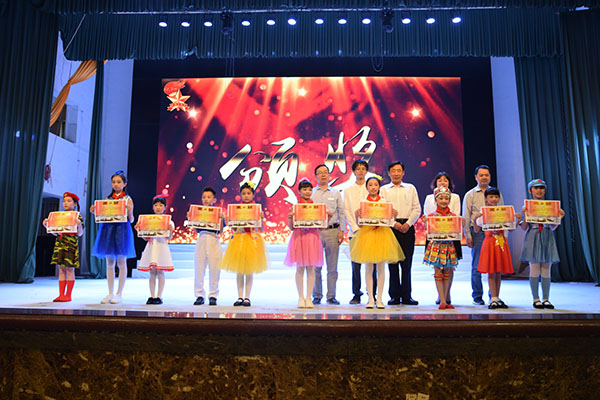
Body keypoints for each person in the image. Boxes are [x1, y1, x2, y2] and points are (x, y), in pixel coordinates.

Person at [350, 176, 404, 309]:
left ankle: (379, 298)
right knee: (368, 268)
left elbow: (390, 221)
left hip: (382, 235)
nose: (373, 187)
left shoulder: (384, 202)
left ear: (379, 187)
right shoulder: (363, 203)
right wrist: (357, 215)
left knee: (381, 268)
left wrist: (394, 214)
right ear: (367, 187)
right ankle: (370, 298)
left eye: (375, 185)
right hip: (367, 235)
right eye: (370, 185)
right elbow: (360, 224)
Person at [90, 170, 136, 304]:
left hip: (122, 230)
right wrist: (95, 211)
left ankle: (119, 293)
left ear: (124, 184)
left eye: (119, 182)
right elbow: (102, 217)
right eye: (114, 182)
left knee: (121, 262)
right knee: (109, 263)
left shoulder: (127, 199)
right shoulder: (107, 199)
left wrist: (130, 210)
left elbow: (131, 220)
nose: (116, 184)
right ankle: (110, 293)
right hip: (108, 230)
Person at [219, 182, 268, 306]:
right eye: (244, 193)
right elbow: (234, 228)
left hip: (251, 240)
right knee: (239, 271)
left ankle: (247, 297)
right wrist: (228, 221)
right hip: (239, 240)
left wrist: (261, 219)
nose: (246, 196)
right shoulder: (236, 209)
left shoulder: (256, 209)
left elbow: (261, 229)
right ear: (240, 195)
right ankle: (239, 297)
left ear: (253, 195)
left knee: (249, 271)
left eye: (248, 193)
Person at [520, 179, 565, 309]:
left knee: (546, 269)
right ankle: (536, 299)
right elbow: (523, 228)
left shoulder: (550, 206)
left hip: (546, 235)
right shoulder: (527, 207)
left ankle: (546, 299)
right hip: (533, 236)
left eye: (541, 188)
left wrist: (559, 217)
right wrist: (525, 215)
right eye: (536, 188)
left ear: (545, 191)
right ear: (530, 190)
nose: (539, 191)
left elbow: (552, 227)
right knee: (534, 268)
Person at [381, 161, 421, 305]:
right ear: (389, 173)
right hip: (391, 228)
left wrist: (408, 224)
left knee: (406, 263)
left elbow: (417, 209)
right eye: (393, 171)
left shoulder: (410, 188)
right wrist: (394, 224)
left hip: (407, 228)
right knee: (392, 264)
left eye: (399, 171)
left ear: (403, 173)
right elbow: (382, 210)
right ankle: (394, 296)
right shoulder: (384, 190)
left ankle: (407, 296)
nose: (396, 173)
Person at [474, 187, 521, 309]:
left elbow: (511, 229)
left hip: (501, 242)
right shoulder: (483, 213)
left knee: (498, 272)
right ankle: (493, 298)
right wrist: (475, 218)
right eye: (491, 197)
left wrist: (518, 220)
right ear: (486, 198)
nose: (494, 199)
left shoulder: (504, 212)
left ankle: (497, 297)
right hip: (489, 242)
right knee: (491, 271)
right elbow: (476, 229)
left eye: (496, 197)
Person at [463, 165, 503, 305]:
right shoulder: (470, 194)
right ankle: (477, 296)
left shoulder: (496, 192)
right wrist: (468, 235)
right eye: (481, 175)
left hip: (495, 233)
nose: (484, 177)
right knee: (477, 265)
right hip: (478, 232)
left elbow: (502, 212)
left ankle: (494, 296)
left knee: (495, 265)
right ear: (476, 177)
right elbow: (466, 216)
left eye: (487, 175)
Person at [423, 171, 462, 304]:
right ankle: (441, 297)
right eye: (440, 180)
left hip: (450, 237)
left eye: (445, 179)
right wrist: (430, 222)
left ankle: (446, 295)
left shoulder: (455, 197)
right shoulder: (429, 198)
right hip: (435, 238)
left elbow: (456, 215)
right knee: (438, 269)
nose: (443, 182)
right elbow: (427, 216)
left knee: (449, 268)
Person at [284, 178, 323, 308]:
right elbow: (291, 227)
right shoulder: (295, 207)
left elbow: (321, 226)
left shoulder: (316, 208)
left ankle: (309, 297)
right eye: (304, 189)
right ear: (299, 191)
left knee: (311, 269)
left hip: (312, 238)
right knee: (300, 268)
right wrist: (290, 218)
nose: (307, 192)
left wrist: (325, 217)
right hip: (299, 238)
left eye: (309, 189)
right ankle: (301, 297)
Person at [343, 160, 376, 305]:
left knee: (373, 264)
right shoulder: (348, 190)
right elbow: (346, 210)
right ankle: (356, 294)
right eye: (358, 169)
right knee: (356, 265)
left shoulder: (372, 187)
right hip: (355, 232)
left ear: (367, 171)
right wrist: (355, 227)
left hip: (371, 231)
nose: (361, 171)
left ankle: (372, 293)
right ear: (354, 171)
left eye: (363, 169)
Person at [311, 164, 345, 305]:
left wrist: (342, 230)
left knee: (332, 266)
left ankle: (331, 296)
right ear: (316, 176)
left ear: (329, 175)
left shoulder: (336, 192)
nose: (323, 175)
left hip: (332, 231)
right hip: (316, 232)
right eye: (320, 173)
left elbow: (341, 212)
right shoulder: (311, 193)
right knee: (316, 266)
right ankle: (316, 295)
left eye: (325, 172)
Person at [42, 192, 84, 302]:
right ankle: (61, 294)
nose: (66, 203)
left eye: (69, 201)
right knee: (61, 269)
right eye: (64, 201)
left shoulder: (77, 216)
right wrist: (47, 226)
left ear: (75, 204)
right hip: (60, 243)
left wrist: (79, 224)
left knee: (70, 269)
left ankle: (68, 295)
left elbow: (80, 234)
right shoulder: (59, 216)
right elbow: (55, 233)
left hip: (71, 244)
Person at [136, 195, 174, 305]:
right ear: (153, 207)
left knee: (160, 271)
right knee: (152, 272)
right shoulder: (147, 221)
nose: (158, 207)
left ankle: (159, 296)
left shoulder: (169, 221)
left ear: (165, 207)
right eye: (156, 205)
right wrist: (139, 229)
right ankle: (152, 296)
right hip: (151, 246)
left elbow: (169, 237)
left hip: (162, 246)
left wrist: (170, 230)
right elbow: (144, 237)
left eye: (160, 205)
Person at [189, 187, 223, 306]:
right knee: (199, 268)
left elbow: (220, 231)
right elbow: (196, 230)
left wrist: (221, 219)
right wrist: (191, 218)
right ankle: (199, 295)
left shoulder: (217, 212)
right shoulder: (198, 211)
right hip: (202, 238)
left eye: (209, 197)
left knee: (215, 268)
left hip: (213, 239)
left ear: (214, 199)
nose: (206, 199)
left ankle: (213, 295)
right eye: (204, 197)